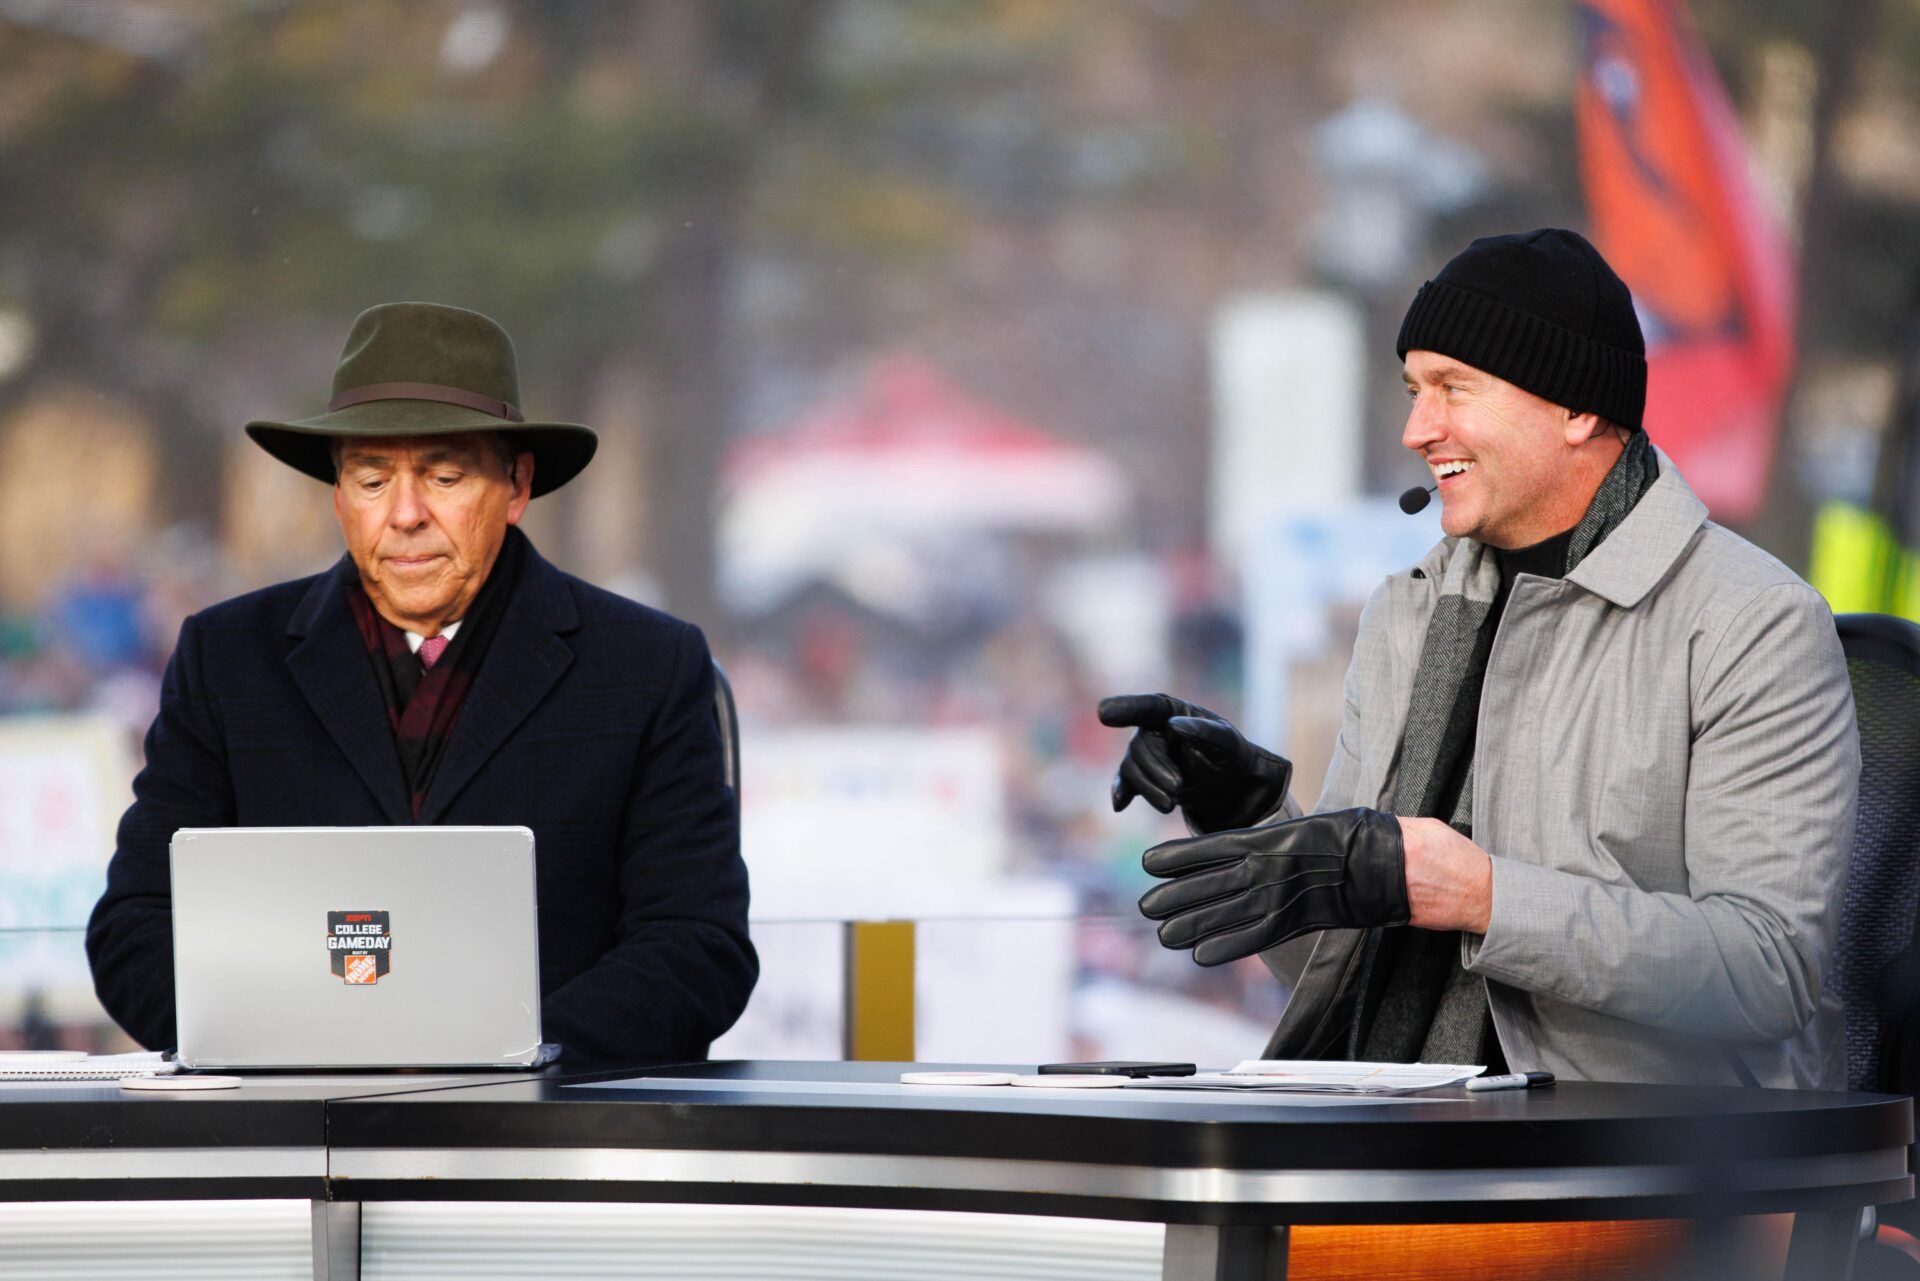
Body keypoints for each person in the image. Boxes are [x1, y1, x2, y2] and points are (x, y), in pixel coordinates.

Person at [1102, 229, 1858, 1088]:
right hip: (1389, 1127)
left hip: (1639, 1164)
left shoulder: (1752, 622)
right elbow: (1350, 966)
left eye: (1453, 388)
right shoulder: (1407, 609)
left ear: (1575, 407)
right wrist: (1249, 815)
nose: (1417, 429)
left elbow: (1767, 971)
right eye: (1414, 390)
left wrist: (1473, 892)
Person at [86, 302, 757, 1063]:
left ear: (516, 485)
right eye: (372, 480)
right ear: (338, 496)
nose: (404, 515)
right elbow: (133, 928)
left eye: (443, 475)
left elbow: (698, 946)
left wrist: (507, 1051)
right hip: (295, 1137)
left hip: (556, 1139)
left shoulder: (646, 667)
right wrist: (299, 1043)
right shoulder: (229, 658)